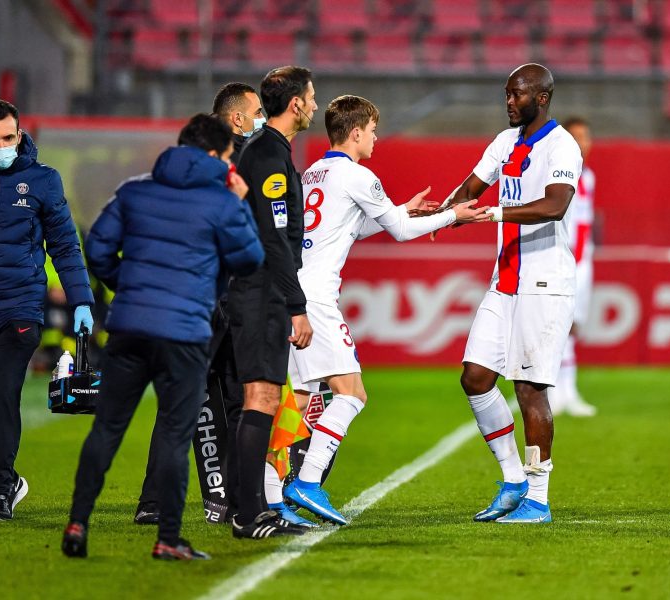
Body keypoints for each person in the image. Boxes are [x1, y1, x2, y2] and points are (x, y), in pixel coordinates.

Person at [62, 114, 265, 561]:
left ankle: (78, 522)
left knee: (107, 429)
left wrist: (129, 287)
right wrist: (243, 203)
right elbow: (251, 259)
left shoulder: (135, 190)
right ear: (217, 155)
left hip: (129, 328)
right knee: (176, 434)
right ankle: (168, 539)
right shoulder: (223, 201)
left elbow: (96, 248)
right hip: (186, 334)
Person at [282, 95, 488, 525]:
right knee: (352, 393)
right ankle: (308, 481)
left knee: (298, 401)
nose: (376, 138)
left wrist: (400, 210)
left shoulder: (314, 172)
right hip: (316, 297)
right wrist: (452, 215)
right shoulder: (358, 174)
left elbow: (349, 226)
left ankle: (269, 496)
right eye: (373, 130)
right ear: (355, 132)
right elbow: (399, 232)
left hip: (289, 292)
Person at [447, 64, 582, 524]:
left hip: (544, 282)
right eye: (505, 93)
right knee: (476, 377)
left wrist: (496, 214)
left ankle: (539, 500)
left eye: (515, 94)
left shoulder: (562, 145)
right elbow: (471, 189)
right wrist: (440, 214)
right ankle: (513, 479)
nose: (507, 102)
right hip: (504, 281)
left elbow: (556, 204)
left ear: (540, 98)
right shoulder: (505, 142)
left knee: (529, 388)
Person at [133, 82, 266, 526]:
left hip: (205, 297)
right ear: (237, 120)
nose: (263, 117)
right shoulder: (243, 164)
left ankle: (192, 499)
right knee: (217, 398)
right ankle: (221, 498)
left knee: (202, 397)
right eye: (258, 111)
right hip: (216, 298)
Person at [0, 99, 94, 521]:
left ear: (19, 136)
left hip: (19, 308)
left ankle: (0, 493)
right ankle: (11, 478)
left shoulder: (43, 181)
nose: (1, 145)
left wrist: (81, 300)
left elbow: (64, 245)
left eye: (8, 137)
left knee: (3, 396)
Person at [228, 66, 318, 539]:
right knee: (259, 397)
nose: (316, 105)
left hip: (257, 289)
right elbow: (274, 235)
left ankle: (251, 508)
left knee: (257, 398)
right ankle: (249, 513)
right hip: (261, 292)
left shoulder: (268, 150)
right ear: (296, 104)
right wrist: (296, 304)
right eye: (311, 96)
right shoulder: (266, 154)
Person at [547, 116, 598, 417]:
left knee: (573, 326)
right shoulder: (559, 176)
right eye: (577, 136)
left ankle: (569, 390)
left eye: (586, 136)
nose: (584, 142)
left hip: (584, 262)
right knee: (558, 326)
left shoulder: (588, 177)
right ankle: (555, 391)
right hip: (565, 260)